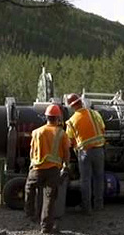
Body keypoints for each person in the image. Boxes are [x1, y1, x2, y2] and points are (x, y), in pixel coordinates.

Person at [25, 104, 71, 234]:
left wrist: (31, 165)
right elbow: (66, 152)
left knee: (30, 188)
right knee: (49, 199)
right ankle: (46, 228)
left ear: (46, 117)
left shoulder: (36, 132)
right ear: (58, 118)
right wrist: (66, 166)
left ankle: (29, 213)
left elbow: (31, 151)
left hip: (36, 169)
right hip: (53, 171)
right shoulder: (62, 134)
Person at [64, 93, 106, 214]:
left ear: (72, 106)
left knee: (85, 180)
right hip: (99, 150)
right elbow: (103, 129)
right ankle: (99, 205)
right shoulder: (94, 113)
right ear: (81, 102)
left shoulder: (71, 121)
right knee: (99, 178)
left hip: (84, 153)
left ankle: (86, 208)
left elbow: (70, 141)